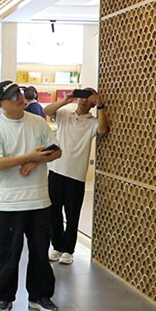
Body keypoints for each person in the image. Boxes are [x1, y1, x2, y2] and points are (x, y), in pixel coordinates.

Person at [0, 81, 62, 311]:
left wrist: (35, 161)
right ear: (1, 104)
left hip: (39, 200)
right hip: (9, 203)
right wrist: (29, 156)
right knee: (8, 253)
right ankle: (3, 297)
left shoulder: (37, 122)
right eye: (11, 96)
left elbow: (56, 150)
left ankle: (40, 296)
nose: (18, 97)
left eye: (18, 93)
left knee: (40, 252)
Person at [42, 89, 109, 265]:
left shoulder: (93, 122)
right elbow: (47, 111)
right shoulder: (64, 114)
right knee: (53, 212)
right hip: (56, 170)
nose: (83, 101)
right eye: (82, 97)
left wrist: (101, 105)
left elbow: (103, 129)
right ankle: (57, 246)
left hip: (76, 175)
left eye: (88, 98)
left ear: (93, 103)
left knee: (72, 215)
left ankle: (68, 250)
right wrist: (66, 100)